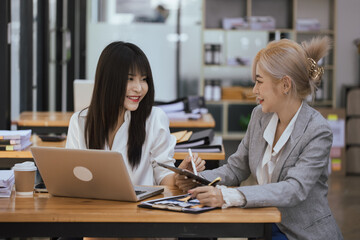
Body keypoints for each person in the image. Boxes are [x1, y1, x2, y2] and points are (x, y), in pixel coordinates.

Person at [175, 37, 343, 240]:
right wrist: (196, 180)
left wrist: (228, 196)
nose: (254, 90)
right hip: (264, 222)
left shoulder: (317, 130)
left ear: (285, 85)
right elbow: (236, 168)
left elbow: (294, 189)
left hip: (300, 233)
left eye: (259, 81)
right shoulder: (259, 116)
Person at [66, 41, 204, 187]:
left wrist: (180, 175)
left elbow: (163, 176)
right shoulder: (80, 121)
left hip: (138, 209)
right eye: (130, 79)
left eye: (144, 79)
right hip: (92, 207)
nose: (139, 88)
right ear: (108, 80)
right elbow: (72, 176)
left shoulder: (155, 119)